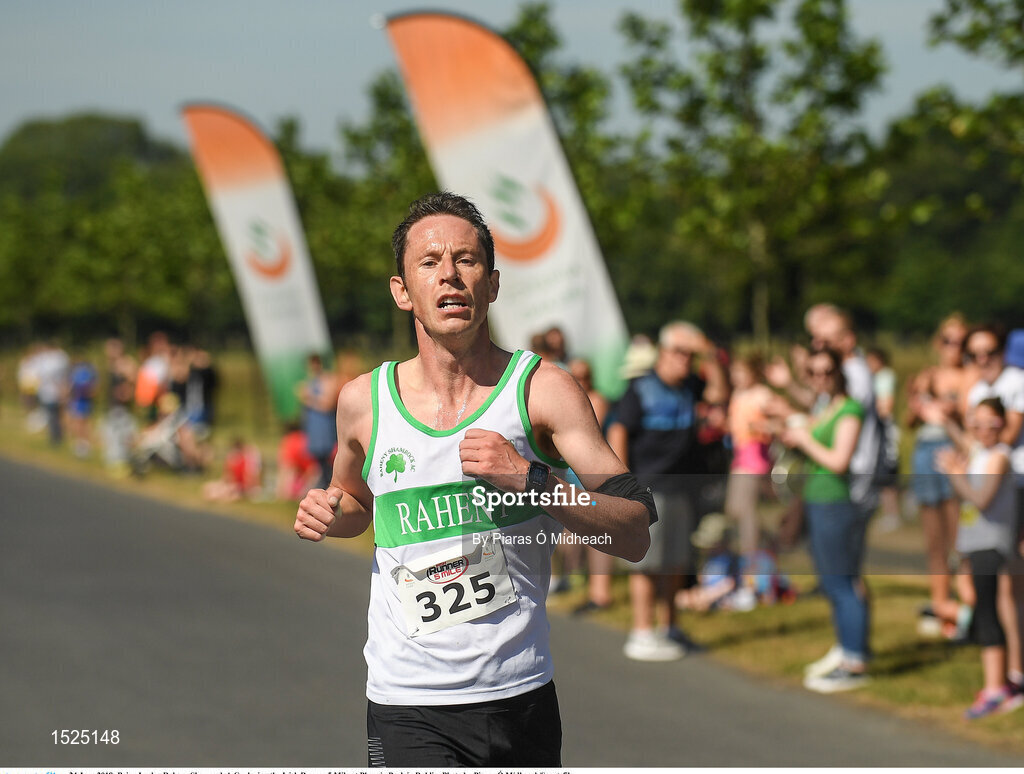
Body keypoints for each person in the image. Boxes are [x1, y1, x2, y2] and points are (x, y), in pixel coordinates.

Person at [293, 192, 653, 767]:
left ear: (493, 284)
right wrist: (330, 514)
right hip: (404, 698)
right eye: (430, 262)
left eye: (467, 260)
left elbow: (634, 532)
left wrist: (533, 481)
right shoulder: (362, 401)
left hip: (518, 695)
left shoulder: (542, 390)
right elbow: (356, 502)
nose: (451, 276)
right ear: (402, 290)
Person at [607, 320, 726, 661]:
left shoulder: (690, 385)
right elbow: (619, 431)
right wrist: (622, 484)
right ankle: (642, 632)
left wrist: (708, 352)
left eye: (690, 354)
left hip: (681, 488)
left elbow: (719, 393)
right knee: (647, 563)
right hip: (649, 487)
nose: (684, 360)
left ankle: (670, 627)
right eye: (678, 352)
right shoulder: (641, 387)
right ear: (662, 352)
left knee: (675, 562)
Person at [780, 346, 870, 693]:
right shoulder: (824, 405)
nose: (819, 379)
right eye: (813, 373)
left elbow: (838, 461)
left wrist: (804, 439)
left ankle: (855, 660)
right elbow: (810, 430)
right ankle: (845, 650)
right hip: (817, 501)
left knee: (844, 585)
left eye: (826, 372)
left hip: (836, 503)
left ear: (839, 373)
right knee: (832, 584)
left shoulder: (849, 409)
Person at [936, 398, 1024, 718]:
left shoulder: (999, 456)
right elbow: (966, 442)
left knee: (988, 614)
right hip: (976, 542)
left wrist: (956, 475)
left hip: (992, 544)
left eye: (992, 424)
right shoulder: (980, 451)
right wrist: (948, 420)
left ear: (1003, 425)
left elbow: (981, 498)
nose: (984, 429)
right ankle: (996, 684)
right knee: (982, 610)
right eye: (978, 423)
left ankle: (995, 688)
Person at [963, 323, 1024, 694]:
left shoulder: (1017, 381)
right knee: (1000, 588)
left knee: (1011, 587)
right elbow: (976, 442)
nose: (982, 361)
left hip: (1016, 486)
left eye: (989, 352)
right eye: (974, 354)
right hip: (993, 492)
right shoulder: (977, 389)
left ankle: (1015, 673)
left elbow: (1003, 437)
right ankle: (1011, 674)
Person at [906, 314, 969, 637]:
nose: (953, 348)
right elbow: (908, 421)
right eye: (947, 340)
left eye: (959, 341)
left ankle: (965, 605)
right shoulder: (927, 375)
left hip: (952, 453)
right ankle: (941, 602)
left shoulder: (969, 377)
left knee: (959, 537)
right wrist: (915, 405)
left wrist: (951, 411)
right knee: (934, 541)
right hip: (924, 454)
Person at [297, 353, 339, 490]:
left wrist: (309, 398)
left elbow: (327, 404)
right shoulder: (310, 382)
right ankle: (324, 487)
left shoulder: (327, 380)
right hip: (314, 429)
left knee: (328, 461)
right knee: (319, 462)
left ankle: (329, 487)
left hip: (324, 428)